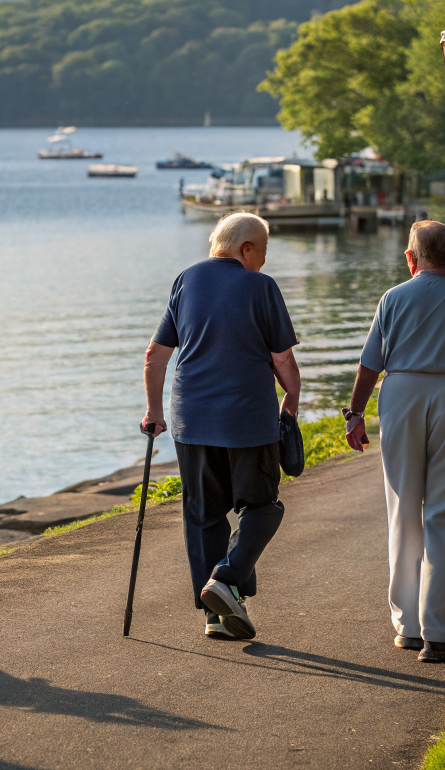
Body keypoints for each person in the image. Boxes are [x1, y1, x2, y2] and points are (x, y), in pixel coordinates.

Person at [343, 220, 445, 663]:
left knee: (404, 507)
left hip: (401, 395)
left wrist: (355, 414)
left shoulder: (393, 298)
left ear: (411, 257)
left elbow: (368, 367)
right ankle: (439, 630)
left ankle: (408, 627)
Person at [142, 212, 300, 641]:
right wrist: (293, 400)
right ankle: (226, 580)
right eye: (263, 252)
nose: (264, 262)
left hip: (190, 420)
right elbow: (282, 359)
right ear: (246, 248)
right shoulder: (261, 286)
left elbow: (156, 354)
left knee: (204, 515)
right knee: (263, 506)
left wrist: (154, 411)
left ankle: (217, 616)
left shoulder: (186, 280)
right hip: (248, 419)